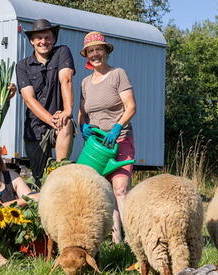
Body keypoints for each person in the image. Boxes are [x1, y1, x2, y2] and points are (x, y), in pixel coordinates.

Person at [77, 31, 137, 244]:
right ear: (87, 55)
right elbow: (82, 111)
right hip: (96, 147)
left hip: (119, 140)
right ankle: (116, 241)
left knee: (120, 188)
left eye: (99, 49)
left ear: (106, 51)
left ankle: (133, 240)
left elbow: (130, 107)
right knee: (104, 192)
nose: (95, 54)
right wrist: (82, 125)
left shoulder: (118, 74)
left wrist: (116, 127)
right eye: (91, 51)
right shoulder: (85, 82)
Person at [16, 18, 76, 184]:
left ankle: (59, 170)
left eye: (47, 37)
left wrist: (67, 111)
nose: (43, 41)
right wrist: (50, 120)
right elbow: (29, 99)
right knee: (39, 178)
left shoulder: (62, 52)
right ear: (32, 41)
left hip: (59, 118)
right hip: (35, 127)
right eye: (39, 38)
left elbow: (66, 80)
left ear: (54, 39)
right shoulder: (22, 66)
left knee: (66, 123)